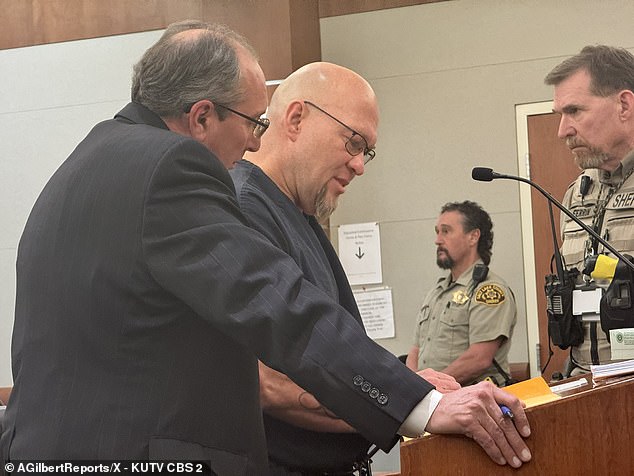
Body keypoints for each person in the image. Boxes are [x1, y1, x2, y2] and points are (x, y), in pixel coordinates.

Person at [0, 20, 532, 474]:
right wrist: (422, 403)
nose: (257, 141)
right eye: (254, 122)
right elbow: (279, 307)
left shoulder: (84, 166)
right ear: (202, 116)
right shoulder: (173, 169)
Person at [230, 62, 461, 475]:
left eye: (366, 151)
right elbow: (261, 380)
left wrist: (405, 385)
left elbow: (317, 352)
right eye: (353, 142)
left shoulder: (296, 214)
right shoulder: (246, 208)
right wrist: (413, 402)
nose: (360, 165)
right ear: (296, 118)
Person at [545, 45, 634, 376]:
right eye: (560, 115)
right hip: (586, 385)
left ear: (624, 105)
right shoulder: (576, 194)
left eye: (575, 111)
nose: (563, 130)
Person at [406, 201, 517, 386]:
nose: (438, 240)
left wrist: (428, 389)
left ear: (473, 237)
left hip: (474, 402)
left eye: (446, 231)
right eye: (437, 232)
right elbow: (416, 351)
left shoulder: (489, 290)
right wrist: (411, 388)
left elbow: (479, 359)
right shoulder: (437, 292)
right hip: (436, 402)